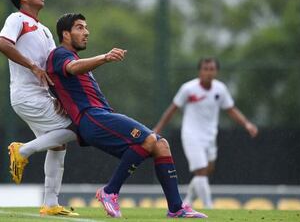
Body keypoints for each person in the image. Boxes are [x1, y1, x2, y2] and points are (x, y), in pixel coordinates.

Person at [46, 13, 207, 219]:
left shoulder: (75, 57)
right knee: (149, 139)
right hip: (92, 118)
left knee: (160, 145)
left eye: (86, 27)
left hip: (101, 116)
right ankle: (110, 191)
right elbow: (72, 68)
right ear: (65, 34)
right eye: (79, 28)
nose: (86, 32)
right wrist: (104, 57)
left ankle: (176, 207)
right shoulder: (60, 54)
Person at [0, 0, 79, 217]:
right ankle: (22, 151)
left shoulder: (43, 30)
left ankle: (50, 203)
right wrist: (33, 66)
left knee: (58, 144)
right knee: (77, 127)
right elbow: (2, 44)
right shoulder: (17, 19)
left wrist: (60, 97)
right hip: (26, 95)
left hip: (42, 95)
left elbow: (52, 69)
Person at [153, 57, 259, 209]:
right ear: (200, 71)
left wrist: (247, 124)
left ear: (216, 71)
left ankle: (188, 200)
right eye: (205, 69)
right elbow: (172, 109)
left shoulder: (220, 89)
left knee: (207, 170)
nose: (208, 72)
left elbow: (231, 109)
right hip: (191, 135)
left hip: (210, 136)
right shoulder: (188, 89)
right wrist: (158, 128)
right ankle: (209, 206)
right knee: (201, 170)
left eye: (212, 69)